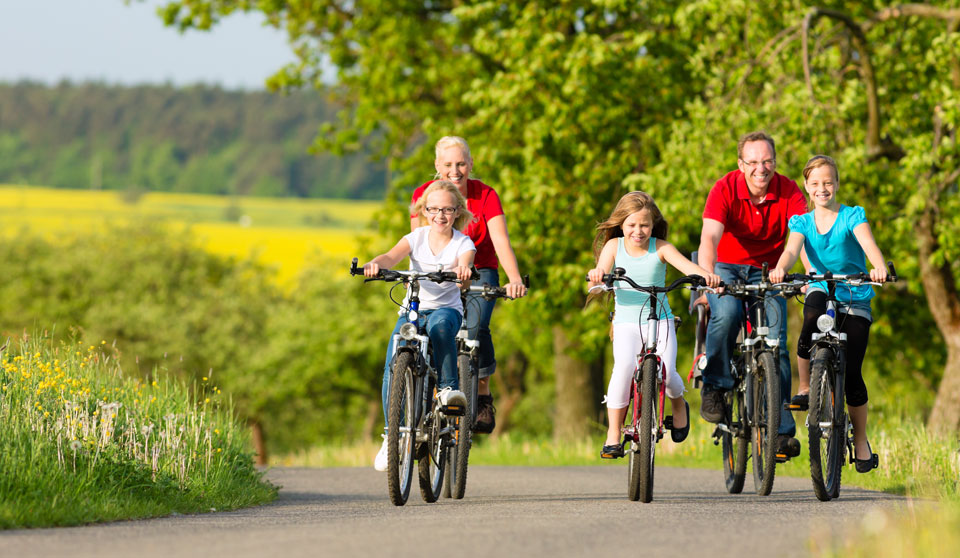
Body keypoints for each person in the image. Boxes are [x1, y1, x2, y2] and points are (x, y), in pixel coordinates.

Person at [770, 155, 888, 472]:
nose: (822, 188)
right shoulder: (802, 222)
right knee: (810, 323)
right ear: (807, 187)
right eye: (815, 183)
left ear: (836, 184)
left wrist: (877, 267)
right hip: (821, 286)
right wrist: (781, 268)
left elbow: (868, 244)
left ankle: (860, 440)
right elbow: (792, 250)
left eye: (828, 182)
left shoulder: (852, 216)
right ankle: (807, 387)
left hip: (855, 292)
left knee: (852, 374)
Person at [697, 131, 808, 460]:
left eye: (768, 161)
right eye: (754, 162)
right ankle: (715, 384)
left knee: (777, 344)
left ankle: (780, 433)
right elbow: (709, 237)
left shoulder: (788, 190)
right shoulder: (724, 188)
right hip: (726, 267)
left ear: (775, 161)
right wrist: (708, 275)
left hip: (770, 269)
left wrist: (796, 271)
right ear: (741, 164)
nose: (762, 168)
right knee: (728, 314)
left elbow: (799, 237)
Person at [588, 191, 721, 458]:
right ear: (621, 224)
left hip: (660, 320)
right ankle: (614, 432)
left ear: (653, 224)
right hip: (626, 322)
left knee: (669, 371)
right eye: (632, 225)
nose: (638, 231)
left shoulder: (661, 247)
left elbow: (687, 268)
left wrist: (708, 277)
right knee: (623, 368)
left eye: (645, 225)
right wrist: (598, 276)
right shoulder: (614, 247)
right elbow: (600, 272)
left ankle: (679, 405)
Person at [410, 136, 527, 434]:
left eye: (461, 163)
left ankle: (483, 394)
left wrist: (514, 278)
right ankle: (430, 387)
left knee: (476, 327)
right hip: (438, 270)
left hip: (480, 268)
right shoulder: (424, 194)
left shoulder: (486, 194)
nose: (455, 170)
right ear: (437, 166)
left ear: (471, 164)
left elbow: (500, 239)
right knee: (428, 326)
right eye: (448, 164)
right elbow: (418, 242)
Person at [365, 180, 476, 471]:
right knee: (395, 356)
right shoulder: (415, 237)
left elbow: (466, 267)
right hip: (413, 309)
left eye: (447, 209)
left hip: (445, 310)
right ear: (424, 211)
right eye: (434, 209)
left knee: (441, 328)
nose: (440, 215)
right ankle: (393, 437)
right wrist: (376, 264)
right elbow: (391, 256)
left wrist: (463, 271)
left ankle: (449, 389)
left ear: (457, 212)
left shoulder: (463, 243)